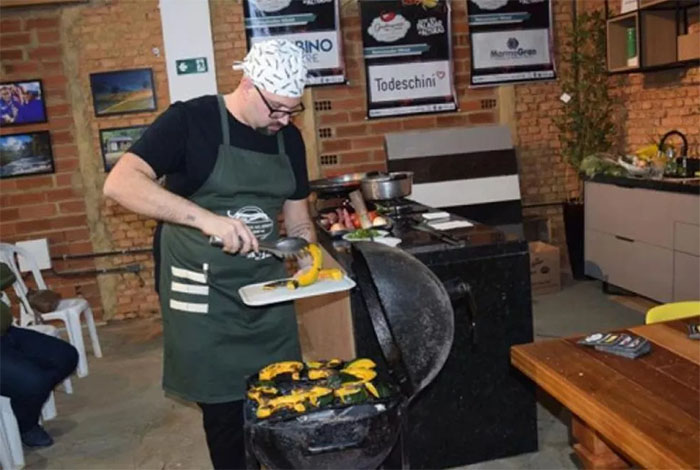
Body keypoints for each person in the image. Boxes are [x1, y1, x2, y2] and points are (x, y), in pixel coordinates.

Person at [103, 39, 316, 469]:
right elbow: (120, 183)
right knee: (227, 418)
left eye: (292, 110)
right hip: (201, 295)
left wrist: (307, 251)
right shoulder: (190, 121)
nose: (283, 120)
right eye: (275, 108)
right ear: (248, 83)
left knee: (280, 408)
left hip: (265, 294)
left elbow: (297, 219)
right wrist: (205, 219)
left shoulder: (288, 139)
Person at [0, 263, 79, 448]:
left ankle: (23, 405)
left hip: (6, 333)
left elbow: (5, 274)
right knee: (34, 382)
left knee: (65, 356)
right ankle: (26, 426)